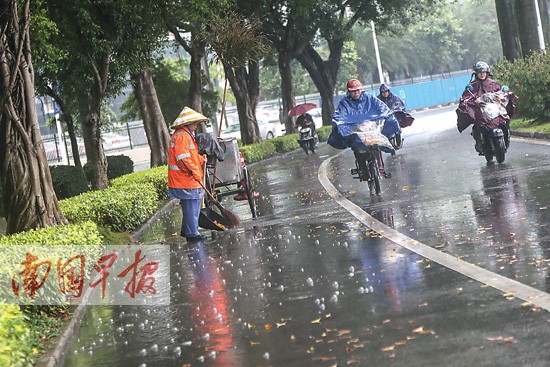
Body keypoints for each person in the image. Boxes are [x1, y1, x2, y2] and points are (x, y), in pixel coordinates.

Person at [168, 107, 208, 242]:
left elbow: (191, 156)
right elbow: (183, 158)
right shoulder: (183, 136)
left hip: (185, 178)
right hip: (186, 179)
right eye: (194, 123)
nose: (196, 126)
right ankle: (192, 234)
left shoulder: (185, 135)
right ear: (187, 124)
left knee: (190, 204)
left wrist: (202, 159)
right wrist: (195, 172)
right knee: (192, 204)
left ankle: (188, 230)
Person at [456, 61, 506, 154]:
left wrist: (501, 96)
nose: (482, 74)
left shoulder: (493, 83)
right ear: (476, 73)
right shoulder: (472, 85)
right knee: (479, 125)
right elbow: (465, 97)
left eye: (484, 72)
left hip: (494, 109)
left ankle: (506, 136)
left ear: (487, 72)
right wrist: (473, 100)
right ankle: (480, 142)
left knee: (505, 120)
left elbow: (500, 91)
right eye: (480, 72)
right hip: (480, 111)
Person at [377, 83, 406, 148]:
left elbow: (399, 104)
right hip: (384, 117)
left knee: (397, 125)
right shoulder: (378, 99)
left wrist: (394, 109)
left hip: (394, 115)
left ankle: (398, 138)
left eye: (386, 91)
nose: (385, 94)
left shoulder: (394, 97)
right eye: (383, 92)